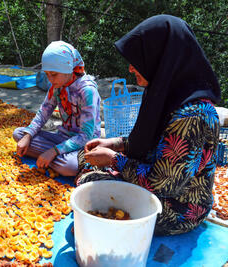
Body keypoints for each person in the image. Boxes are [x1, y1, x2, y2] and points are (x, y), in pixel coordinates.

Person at [76, 15, 221, 236]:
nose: (131, 69)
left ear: (160, 59)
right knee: (85, 155)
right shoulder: (165, 93)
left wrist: (115, 159)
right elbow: (151, 141)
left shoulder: (192, 116)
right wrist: (115, 144)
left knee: (89, 181)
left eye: (137, 61)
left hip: (176, 206)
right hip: (152, 181)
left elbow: (164, 184)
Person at [13, 41, 101, 177]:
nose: (50, 79)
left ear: (68, 69)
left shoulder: (87, 90)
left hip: (84, 146)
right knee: (19, 134)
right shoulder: (58, 86)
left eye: (53, 74)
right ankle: (52, 158)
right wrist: (28, 135)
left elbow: (86, 136)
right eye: (47, 74)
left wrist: (53, 151)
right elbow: (43, 112)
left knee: (69, 167)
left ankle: (50, 157)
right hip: (62, 138)